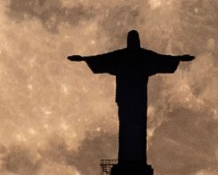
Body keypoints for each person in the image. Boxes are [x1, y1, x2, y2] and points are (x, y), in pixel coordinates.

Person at [68, 30, 194, 164]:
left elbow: (162, 59)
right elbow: (103, 58)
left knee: (136, 128)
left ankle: (135, 162)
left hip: (136, 98)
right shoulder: (131, 56)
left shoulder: (135, 56)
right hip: (130, 97)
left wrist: (179, 58)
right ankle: (129, 162)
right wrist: (83, 58)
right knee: (127, 128)